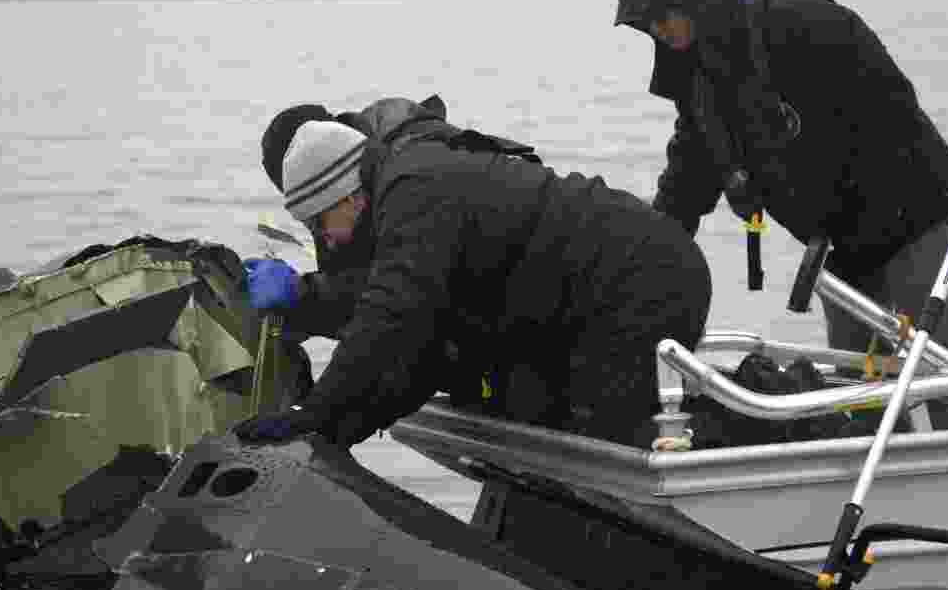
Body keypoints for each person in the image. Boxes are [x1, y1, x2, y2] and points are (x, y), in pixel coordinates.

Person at [613, 0, 948, 428]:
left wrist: (835, 196)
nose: (657, 31)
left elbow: (892, 107)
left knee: (935, 363)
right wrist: (656, 244)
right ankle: (886, 483)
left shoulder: (800, 21)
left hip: (911, 210)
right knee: (858, 380)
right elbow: (689, 171)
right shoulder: (694, 73)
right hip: (839, 239)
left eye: (661, 16)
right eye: (646, 24)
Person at [232, 119, 712, 449]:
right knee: (528, 409)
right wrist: (331, 432)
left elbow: (388, 322)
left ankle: (736, 431)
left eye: (320, 223)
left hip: (641, 282)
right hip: (608, 292)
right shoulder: (402, 193)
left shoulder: (415, 192)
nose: (326, 241)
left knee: (592, 432)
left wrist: (312, 414)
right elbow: (418, 354)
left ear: (346, 195)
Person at [251, 96, 541, 341]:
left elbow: (398, 292)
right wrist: (302, 317)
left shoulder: (410, 170)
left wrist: (301, 293)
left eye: (317, 217)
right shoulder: (343, 200)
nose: (319, 231)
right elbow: (360, 305)